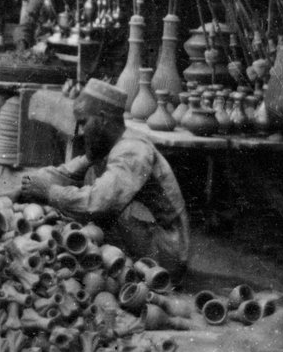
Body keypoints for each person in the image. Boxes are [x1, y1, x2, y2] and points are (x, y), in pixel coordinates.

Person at [18, 78, 191, 280]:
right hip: (142, 236)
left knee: (94, 206)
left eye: (83, 123)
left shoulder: (133, 150)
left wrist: (49, 193)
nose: (80, 132)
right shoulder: (108, 142)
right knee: (82, 185)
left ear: (102, 119)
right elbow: (67, 172)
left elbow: (98, 202)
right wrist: (27, 185)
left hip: (167, 252)